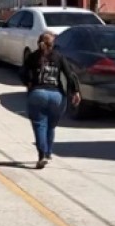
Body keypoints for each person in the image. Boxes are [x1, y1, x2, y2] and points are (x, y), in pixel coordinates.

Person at [19, 31, 81, 168]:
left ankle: (42, 155)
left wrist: (29, 83)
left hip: (37, 93)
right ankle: (48, 152)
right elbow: (70, 75)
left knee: (40, 125)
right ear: (53, 44)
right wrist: (75, 92)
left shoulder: (32, 57)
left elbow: (23, 73)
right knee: (51, 126)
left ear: (38, 42)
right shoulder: (59, 57)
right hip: (56, 95)